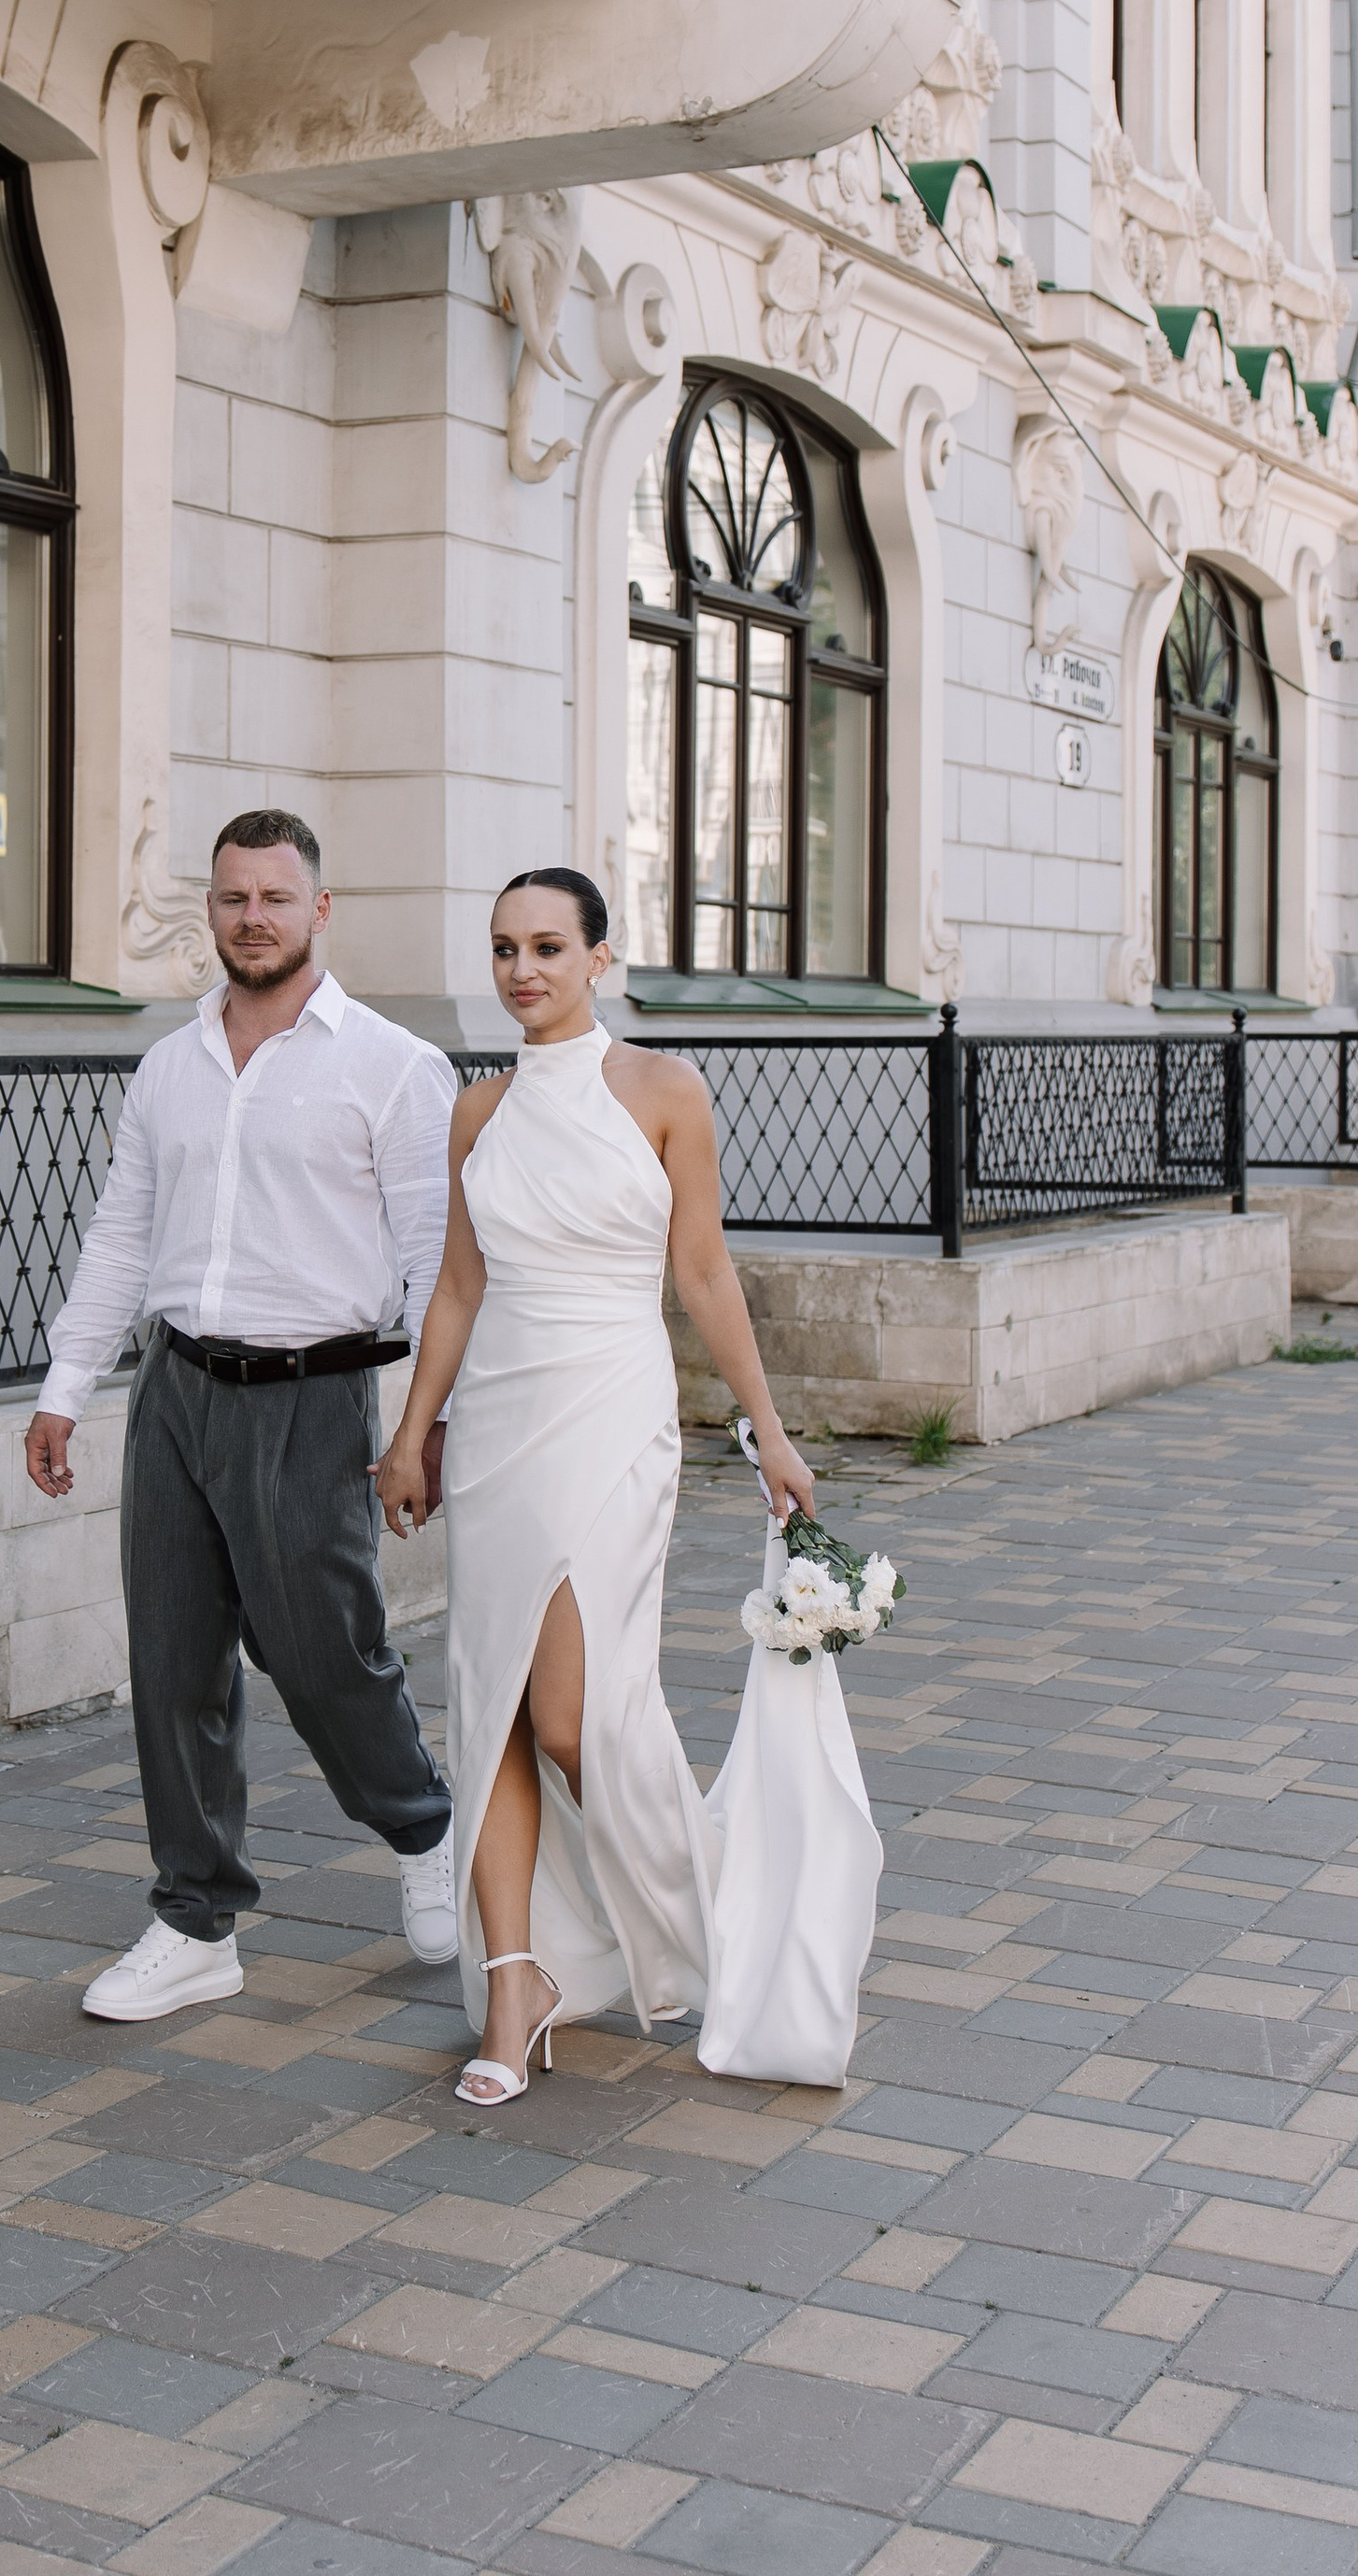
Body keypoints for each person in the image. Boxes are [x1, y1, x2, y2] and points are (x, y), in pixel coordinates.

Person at [374, 866, 879, 2104]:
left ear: (601, 956)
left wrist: (770, 1433)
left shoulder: (663, 1089)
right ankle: (515, 1990)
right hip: (497, 1426)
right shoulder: (477, 1112)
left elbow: (703, 1274)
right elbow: (455, 1289)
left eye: (548, 946)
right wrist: (411, 1432)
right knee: (489, 1705)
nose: (521, 971)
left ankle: (705, 1896)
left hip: (612, 1413)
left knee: (573, 1720)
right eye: (503, 949)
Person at [28, 809, 461, 2021]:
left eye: (276, 897)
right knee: (172, 1661)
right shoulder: (171, 1065)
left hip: (313, 1396)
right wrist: (68, 1386)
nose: (252, 917)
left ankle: (426, 1832)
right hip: (175, 1391)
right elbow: (122, 1235)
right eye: (232, 898)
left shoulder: (391, 1066)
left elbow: (435, 1263)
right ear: (207, 912)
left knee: (321, 1652)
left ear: (321, 911)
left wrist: (423, 1426)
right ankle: (195, 1916)